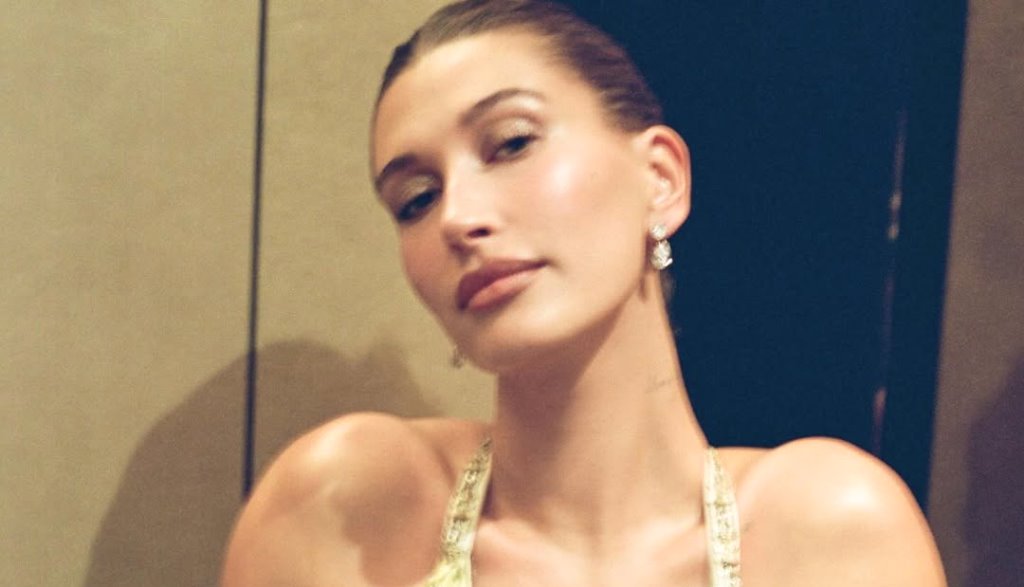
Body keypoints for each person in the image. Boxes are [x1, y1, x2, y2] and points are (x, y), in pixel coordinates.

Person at [221, 1, 947, 585]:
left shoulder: (828, 529)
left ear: (660, 178)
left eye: (512, 143)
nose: (457, 219)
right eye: (416, 198)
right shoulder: (348, 507)